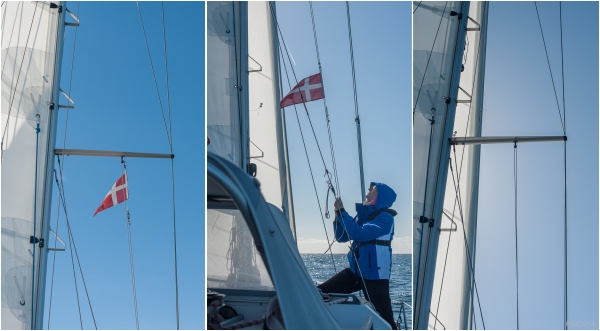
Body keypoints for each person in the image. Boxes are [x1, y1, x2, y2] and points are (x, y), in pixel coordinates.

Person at [317, 182, 398, 329]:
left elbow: (358, 234)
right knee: (321, 292)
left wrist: (342, 211)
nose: (369, 189)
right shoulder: (365, 216)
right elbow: (342, 236)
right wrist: (338, 215)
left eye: (373, 188)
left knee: (386, 320)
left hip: (375, 277)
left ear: (381, 196)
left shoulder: (385, 218)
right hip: (356, 272)